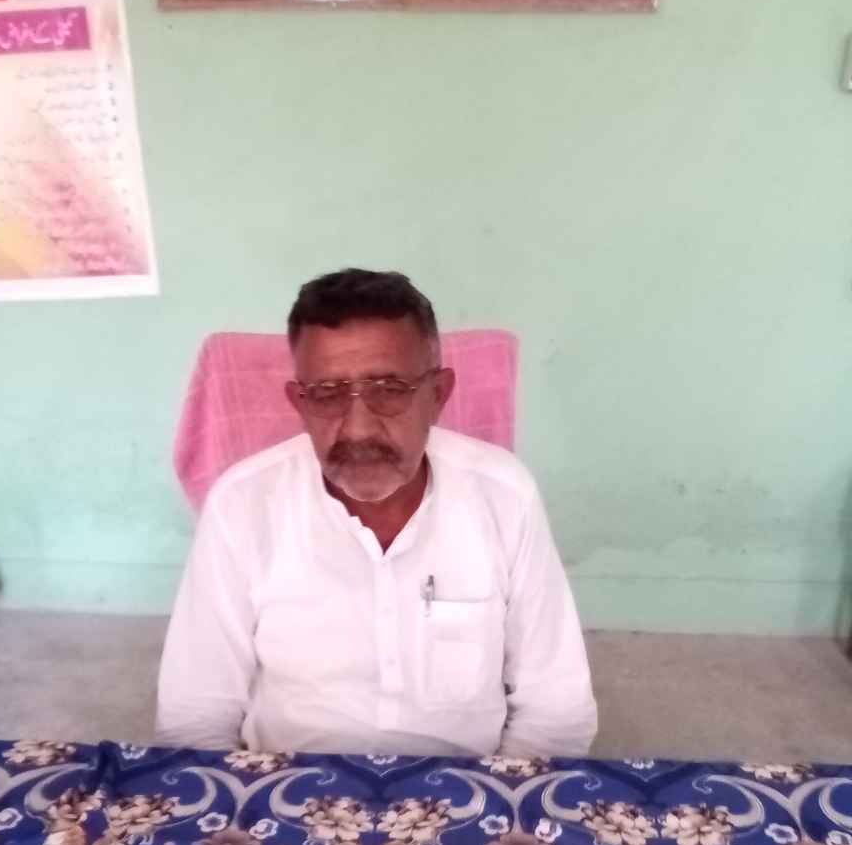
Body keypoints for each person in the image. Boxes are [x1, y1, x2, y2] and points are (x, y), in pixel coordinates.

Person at [156, 268, 597, 758]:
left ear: (438, 395)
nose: (359, 429)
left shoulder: (504, 495)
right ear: (299, 402)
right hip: (287, 786)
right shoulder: (242, 504)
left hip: (467, 789)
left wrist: (496, 796)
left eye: (389, 389)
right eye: (328, 394)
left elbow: (557, 711)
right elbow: (194, 716)